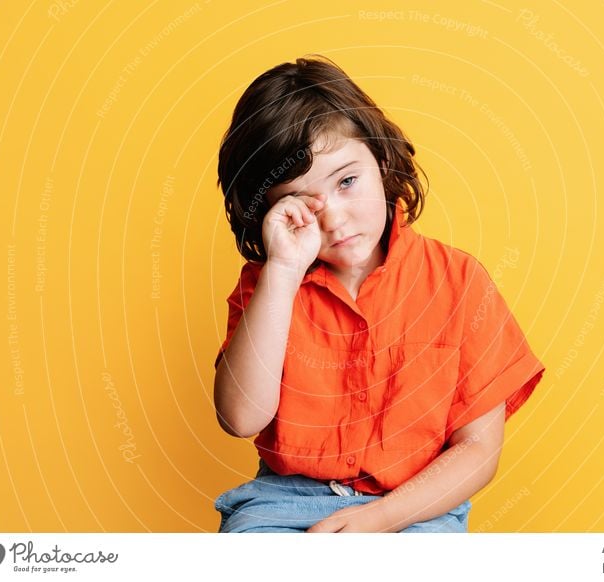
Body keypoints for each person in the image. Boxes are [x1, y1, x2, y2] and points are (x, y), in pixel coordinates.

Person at [212, 55, 545, 533]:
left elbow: (478, 450)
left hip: (415, 506)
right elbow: (241, 417)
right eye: (300, 203)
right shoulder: (267, 286)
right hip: (281, 503)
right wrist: (283, 270)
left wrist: (383, 517)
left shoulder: (458, 281)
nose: (333, 218)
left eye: (347, 182)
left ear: (382, 160)